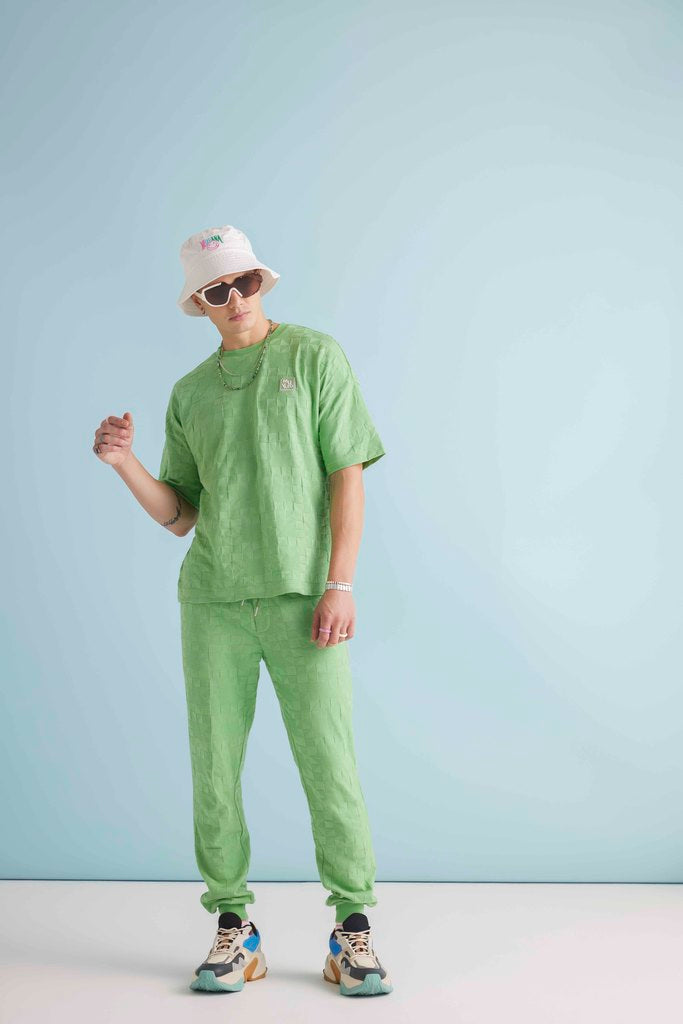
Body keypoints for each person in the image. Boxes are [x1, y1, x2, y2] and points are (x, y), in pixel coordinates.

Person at [92, 224, 392, 997]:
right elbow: (180, 514)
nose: (235, 300)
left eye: (244, 282)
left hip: (304, 598)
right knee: (214, 767)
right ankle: (234, 926)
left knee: (328, 762)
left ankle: (352, 929)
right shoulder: (189, 394)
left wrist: (340, 584)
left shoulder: (314, 357)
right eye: (217, 290)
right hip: (214, 599)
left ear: (262, 280)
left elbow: (347, 474)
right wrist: (125, 463)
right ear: (199, 302)